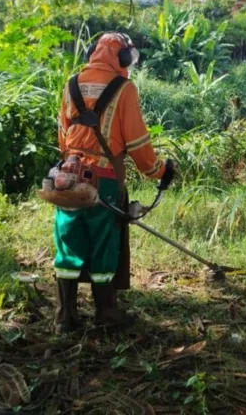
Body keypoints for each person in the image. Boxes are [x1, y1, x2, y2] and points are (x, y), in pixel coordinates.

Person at [54, 32, 174, 333]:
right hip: (104, 180)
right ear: (123, 59)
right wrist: (159, 171)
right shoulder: (124, 89)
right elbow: (136, 141)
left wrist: (72, 162)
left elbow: (62, 134)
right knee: (104, 244)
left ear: (93, 53)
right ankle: (105, 310)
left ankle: (65, 316)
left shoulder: (71, 85)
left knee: (68, 241)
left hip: (68, 177)